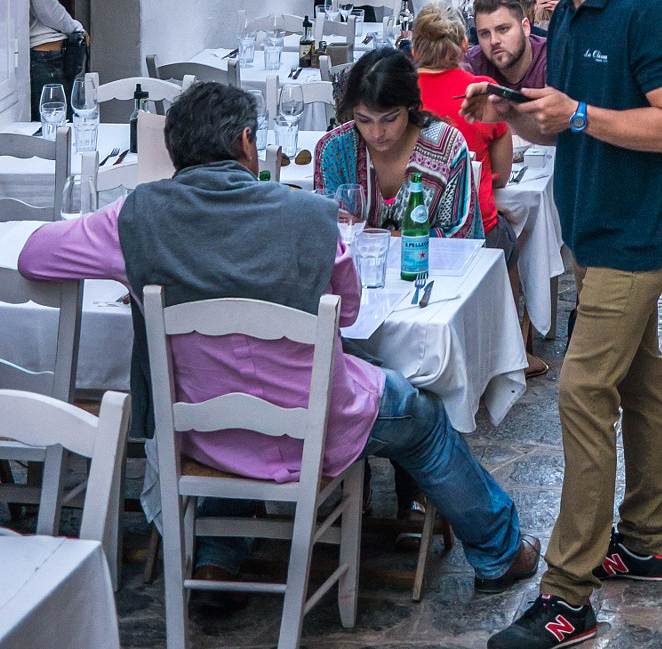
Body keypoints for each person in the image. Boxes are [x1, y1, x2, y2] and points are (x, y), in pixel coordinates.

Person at [19, 81, 536, 595]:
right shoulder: (309, 218)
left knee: (227, 392)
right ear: (247, 141)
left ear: (174, 150)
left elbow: (34, 256)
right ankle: (500, 552)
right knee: (423, 418)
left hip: (199, 430)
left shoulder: (133, 219)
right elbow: (349, 312)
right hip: (316, 422)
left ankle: (220, 556)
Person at [467, 0, 662, 649]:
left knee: (581, 393)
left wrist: (581, 115)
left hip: (638, 236)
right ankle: (646, 541)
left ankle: (567, 595)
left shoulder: (646, 10)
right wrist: (507, 112)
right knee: (641, 379)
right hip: (591, 233)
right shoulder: (561, 17)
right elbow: (558, 127)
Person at [313, 47, 480, 237]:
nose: (376, 133)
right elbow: (327, 231)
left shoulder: (447, 147)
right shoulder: (334, 150)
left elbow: (459, 234)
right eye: (363, 120)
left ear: (409, 106)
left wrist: (370, 232)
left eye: (389, 119)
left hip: (432, 266)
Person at [411, 2, 515, 255]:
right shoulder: (483, 93)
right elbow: (501, 177)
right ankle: (511, 294)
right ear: (465, 46)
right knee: (510, 245)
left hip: (412, 224)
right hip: (476, 226)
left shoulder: (398, 94)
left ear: (414, 50)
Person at [467, 0, 549, 93]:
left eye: (502, 29)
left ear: (525, 27)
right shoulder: (471, 65)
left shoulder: (553, 58)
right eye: (485, 34)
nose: (493, 41)